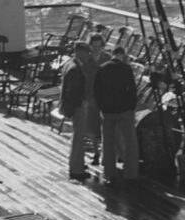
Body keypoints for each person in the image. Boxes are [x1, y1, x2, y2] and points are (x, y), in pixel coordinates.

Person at [94, 46, 139, 184]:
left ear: (112, 55)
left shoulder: (102, 68)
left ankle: (109, 173)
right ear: (123, 55)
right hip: (124, 111)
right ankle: (130, 173)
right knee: (130, 142)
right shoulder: (126, 69)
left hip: (107, 111)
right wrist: (131, 107)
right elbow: (132, 90)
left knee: (108, 142)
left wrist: (102, 107)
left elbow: (97, 91)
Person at [58, 41, 91, 180]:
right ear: (80, 52)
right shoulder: (75, 69)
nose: (88, 55)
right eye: (86, 52)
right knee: (79, 137)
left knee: (77, 136)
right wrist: (81, 103)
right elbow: (72, 91)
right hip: (77, 106)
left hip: (73, 105)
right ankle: (76, 169)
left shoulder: (69, 64)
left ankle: (77, 163)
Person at [83, 32, 110, 163]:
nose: (96, 48)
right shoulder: (86, 60)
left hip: (104, 96)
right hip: (90, 96)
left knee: (105, 125)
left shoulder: (107, 58)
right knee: (92, 126)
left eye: (99, 46)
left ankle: (106, 153)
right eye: (94, 46)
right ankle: (96, 153)